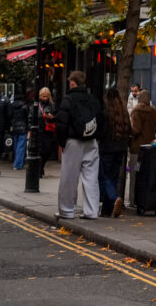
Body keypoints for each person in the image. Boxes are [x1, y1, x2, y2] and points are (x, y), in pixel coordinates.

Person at [55, 71, 104, 220]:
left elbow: (61, 123)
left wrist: (61, 142)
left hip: (73, 141)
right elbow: (101, 120)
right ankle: (92, 211)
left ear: (72, 83)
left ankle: (67, 210)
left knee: (69, 177)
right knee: (91, 177)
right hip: (91, 141)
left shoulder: (68, 100)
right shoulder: (93, 100)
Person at [99, 87, 131, 217]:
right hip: (121, 150)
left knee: (103, 177)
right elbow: (130, 130)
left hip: (107, 149)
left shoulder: (106, 113)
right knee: (112, 178)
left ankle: (114, 197)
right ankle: (106, 211)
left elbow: (102, 132)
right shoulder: (124, 113)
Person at [127, 88, 156, 208]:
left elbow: (136, 129)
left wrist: (129, 135)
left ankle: (133, 200)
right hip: (149, 149)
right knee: (146, 175)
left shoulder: (136, 112)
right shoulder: (154, 112)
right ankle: (144, 199)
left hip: (137, 150)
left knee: (135, 173)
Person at [38, 87, 57, 178]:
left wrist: (51, 117)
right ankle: (40, 169)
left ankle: (41, 166)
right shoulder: (38, 106)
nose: (45, 98)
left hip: (49, 131)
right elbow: (32, 117)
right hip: (40, 130)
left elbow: (56, 117)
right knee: (40, 151)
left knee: (47, 151)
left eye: (46, 96)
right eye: (43, 96)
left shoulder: (52, 105)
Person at [9, 87, 29, 170]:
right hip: (23, 128)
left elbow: (9, 116)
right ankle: (17, 164)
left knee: (16, 146)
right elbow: (27, 118)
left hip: (14, 128)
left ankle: (18, 162)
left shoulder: (11, 106)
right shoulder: (24, 107)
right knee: (21, 146)